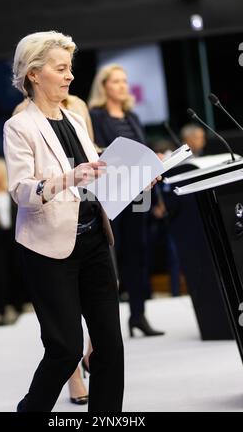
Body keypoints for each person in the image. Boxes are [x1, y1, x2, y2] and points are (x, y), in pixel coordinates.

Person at [3, 31, 124, 412]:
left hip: (93, 241)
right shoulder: (19, 127)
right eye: (61, 68)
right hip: (48, 250)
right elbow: (21, 191)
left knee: (109, 346)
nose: (70, 75)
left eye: (70, 67)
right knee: (65, 349)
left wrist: (136, 175)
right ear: (34, 74)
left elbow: (96, 173)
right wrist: (67, 179)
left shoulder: (74, 118)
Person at [89, 64, 165, 337]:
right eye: (116, 81)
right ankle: (108, 325)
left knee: (139, 255)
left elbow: (141, 154)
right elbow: (97, 153)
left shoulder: (132, 116)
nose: (122, 86)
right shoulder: (95, 116)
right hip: (113, 195)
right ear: (104, 86)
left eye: (124, 81)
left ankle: (138, 315)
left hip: (140, 194)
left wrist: (156, 186)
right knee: (112, 259)